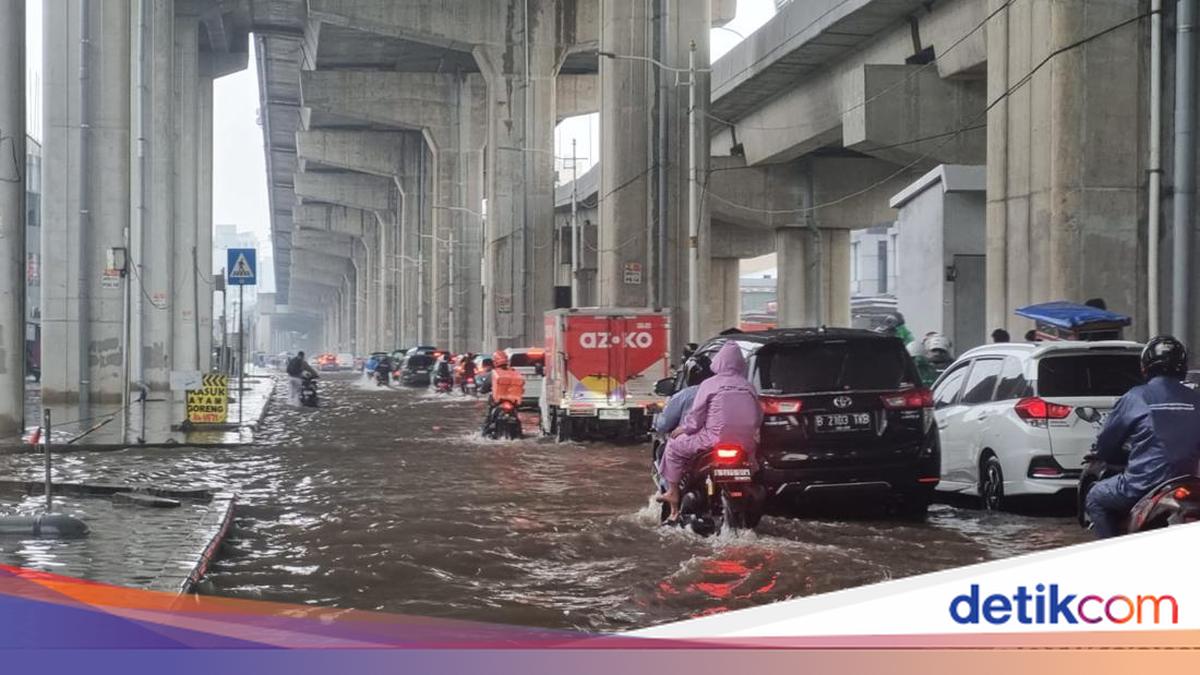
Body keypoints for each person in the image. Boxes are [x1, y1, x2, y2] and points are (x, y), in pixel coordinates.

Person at [1084, 336, 1200, 538]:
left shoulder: (1135, 397)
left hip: (1145, 484)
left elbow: (1106, 447)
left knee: (1095, 496)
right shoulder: (1196, 399)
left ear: (1145, 366)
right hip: (1191, 483)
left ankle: (1109, 560)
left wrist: (1106, 455)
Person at [657, 342, 762, 522]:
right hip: (745, 444)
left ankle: (672, 492)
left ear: (719, 362)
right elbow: (758, 416)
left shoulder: (710, 384)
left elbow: (696, 417)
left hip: (713, 440)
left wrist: (684, 429)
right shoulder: (748, 386)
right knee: (752, 464)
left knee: (673, 446)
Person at [653, 354, 714, 438]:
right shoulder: (724, 391)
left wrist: (656, 417)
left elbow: (664, 424)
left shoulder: (684, 395)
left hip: (690, 442)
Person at [483, 350, 525, 436]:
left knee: (488, 421)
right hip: (513, 402)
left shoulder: (492, 374)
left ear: (495, 362)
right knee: (516, 417)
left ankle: (485, 433)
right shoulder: (514, 372)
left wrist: (482, 390)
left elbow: (484, 388)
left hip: (497, 402)